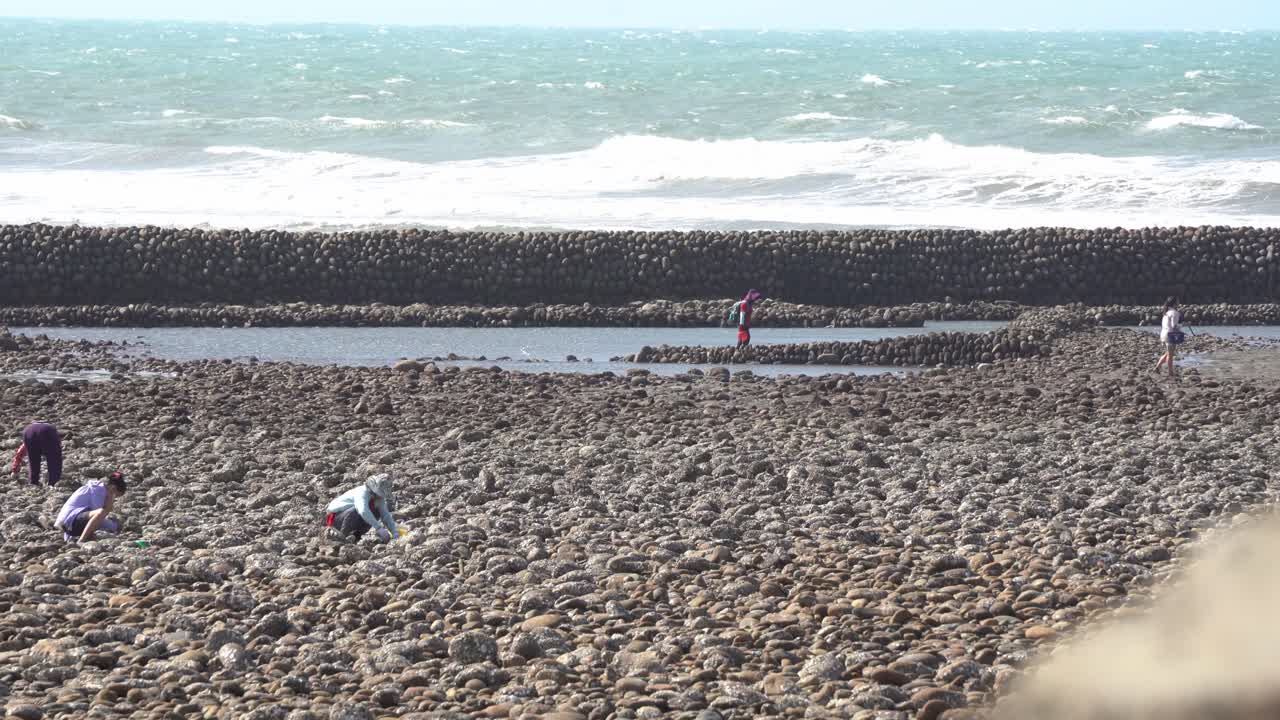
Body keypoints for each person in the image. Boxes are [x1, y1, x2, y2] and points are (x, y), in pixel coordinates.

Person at [54, 471, 127, 542]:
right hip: (69, 523)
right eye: (116, 495)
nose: (114, 499)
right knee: (102, 514)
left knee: (110, 525)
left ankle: (81, 537)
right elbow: (99, 516)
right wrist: (110, 498)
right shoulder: (98, 491)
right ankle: (82, 540)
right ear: (113, 488)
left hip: (70, 523)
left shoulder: (96, 488)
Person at [325, 473, 398, 542]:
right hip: (334, 518)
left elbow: (385, 515)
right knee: (356, 511)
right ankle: (343, 536)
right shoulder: (362, 492)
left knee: (376, 512)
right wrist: (378, 528)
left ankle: (355, 537)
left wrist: (394, 532)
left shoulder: (379, 498)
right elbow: (363, 510)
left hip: (348, 518)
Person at [10, 421, 63, 486]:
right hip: (46, 431)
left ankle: (33, 482)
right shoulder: (51, 430)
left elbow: (20, 452)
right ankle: (53, 483)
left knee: (33, 461)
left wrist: (14, 469)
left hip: (28, 432)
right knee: (54, 460)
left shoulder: (31, 427)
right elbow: (57, 456)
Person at [1154, 296, 1184, 378]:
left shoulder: (1166, 313)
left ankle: (1158, 367)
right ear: (1174, 303)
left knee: (1168, 352)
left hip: (1164, 334)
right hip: (1171, 335)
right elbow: (1174, 326)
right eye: (1178, 302)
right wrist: (1182, 324)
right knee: (1170, 355)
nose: (1179, 303)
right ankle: (1170, 373)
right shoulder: (1175, 313)